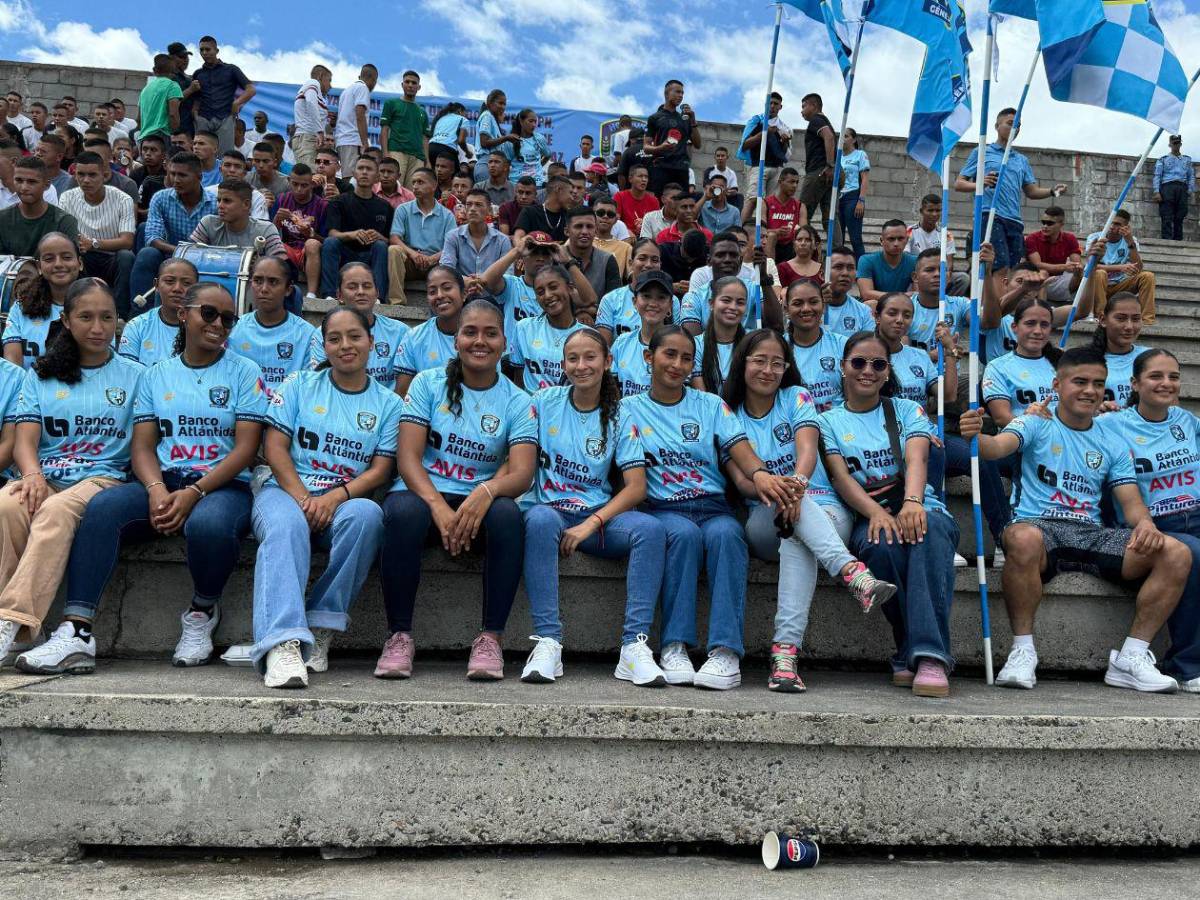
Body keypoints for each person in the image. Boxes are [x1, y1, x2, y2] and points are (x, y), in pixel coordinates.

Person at [960, 347, 1191, 693]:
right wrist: (975, 435)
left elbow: (1130, 502)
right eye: (1079, 381)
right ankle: (1023, 652)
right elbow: (996, 448)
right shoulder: (1035, 420)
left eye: (1098, 384)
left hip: (1091, 533)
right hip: (1039, 526)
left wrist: (1144, 524)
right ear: (1057, 384)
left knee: (1176, 552)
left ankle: (1132, 656)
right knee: (1021, 538)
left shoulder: (1111, 439)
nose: (1090, 390)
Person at [63, 283, 266, 668]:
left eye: (228, 318)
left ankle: (201, 612)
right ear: (184, 314)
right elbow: (142, 446)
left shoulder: (244, 371)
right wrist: (156, 489)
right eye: (209, 313)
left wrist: (195, 492)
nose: (219, 324)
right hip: (165, 479)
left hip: (223, 485)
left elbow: (245, 449)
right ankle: (77, 629)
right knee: (104, 508)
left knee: (206, 525)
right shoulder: (157, 375)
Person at [622, 325, 796, 690]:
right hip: (662, 507)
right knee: (683, 536)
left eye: (687, 358)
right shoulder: (629, 409)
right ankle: (674, 646)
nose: (678, 364)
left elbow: (740, 449)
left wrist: (761, 475)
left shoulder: (710, 404)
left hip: (713, 505)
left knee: (729, 536)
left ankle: (725, 652)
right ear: (648, 357)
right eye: (670, 354)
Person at [722, 328, 896, 691]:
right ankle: (851, 572)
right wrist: (772, 487)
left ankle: (785, 656)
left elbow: (806, 451)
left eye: (776, 363)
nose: (767, 370)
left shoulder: (796, 396)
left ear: (787, 368)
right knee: (787, 519)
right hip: (763, 511)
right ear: (742, 364)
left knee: (796, 533)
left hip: (822, 505)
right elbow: (740, 480)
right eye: (759, 361)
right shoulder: (727, 412)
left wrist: (797, 487)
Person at [375, 300, 537, 680]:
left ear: (504, 341)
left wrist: (485, 492)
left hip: (477, 502)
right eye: (470, 332)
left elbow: (523, 474)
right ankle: (399, 635)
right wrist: (438, 506)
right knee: (401, 512)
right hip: (425, 494)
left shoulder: (519, 400)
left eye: (490, 333)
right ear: (456, 340)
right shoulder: (428, 384)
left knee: (508, 515)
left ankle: (490, 638)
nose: (480, 341)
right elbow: (408, 458)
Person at [250, 306, 401, 688]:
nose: (345, 345)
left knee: (367, 516)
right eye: (334, 338)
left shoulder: (389, 404)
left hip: (342, 498)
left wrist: (334, 498)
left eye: (354, 336)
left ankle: (320, 625)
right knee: (285, 527)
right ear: (324, 345)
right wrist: (305, 499)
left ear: (372, 342)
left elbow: (380, 470)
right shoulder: (299, 384)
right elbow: (275, 448)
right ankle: (282, 643)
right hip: (284, 490)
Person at [0, 280, 143, 674]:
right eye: (85, 317)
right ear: (65, 320)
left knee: (56, 512)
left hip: (103, 479)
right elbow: (24, 439)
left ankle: (10, 620)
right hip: (47, 474)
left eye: (107, 317)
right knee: (7, 506)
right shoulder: (42, 374)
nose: (98, 327)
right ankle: (23, 636)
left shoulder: (135, 376)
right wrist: (31, 474)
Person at [520, 328, 669, 685]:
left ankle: (633, 647)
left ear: (607, 362)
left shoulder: (619, 416)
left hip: (595, 519)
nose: (581, 365)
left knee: (650, 529)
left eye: (590, 357)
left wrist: (591, 523)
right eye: (573, 358)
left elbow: (636, 487)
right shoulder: (543, 403)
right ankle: (549, 641)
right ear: (563, 363)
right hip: (551, 514)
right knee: (538, 518)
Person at [818, 332, 960, 697]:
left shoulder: (906, 410)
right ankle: (912, 647)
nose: (868, 370)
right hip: (869, 510)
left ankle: (928, 656)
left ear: (888, 371)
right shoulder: (827, 421)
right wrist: (875, 513)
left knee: (928, 531)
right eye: (859, 363)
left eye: (878, 364)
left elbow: (917, 457)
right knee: (879, 547)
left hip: (916, 500)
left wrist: (913, 502)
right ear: (844, 367)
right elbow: (840, 476)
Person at [1113, 349, 1200, 691]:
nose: (1167, 383)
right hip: (1156, 523)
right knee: (1194, 555)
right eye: (1156, 376)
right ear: (1135, 383)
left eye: (1174, 377)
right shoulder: (1112, 424)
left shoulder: (1186, 421)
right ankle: (1187, 665)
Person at [956, 106, 1067, 290]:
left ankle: (1003, 309)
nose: (1014, 128)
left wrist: (1052, 191)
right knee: (999, 267)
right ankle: (996, 314)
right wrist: (981, 184)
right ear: (996, 125)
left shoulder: (1021, 160)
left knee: (1013, 270)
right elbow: (959, 184)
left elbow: (1030, 190)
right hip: (990, 215)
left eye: (1018, 125)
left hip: (1014, 220)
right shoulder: (982, 152)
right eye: (1010, 123)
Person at [59, 151, 136, 316]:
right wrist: (83, 245)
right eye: (81, 174)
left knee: (126, 256)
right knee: (70, 255)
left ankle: (120, 315)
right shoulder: (67, 198)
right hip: (83, 255)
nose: (86, 180)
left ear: (105, 175)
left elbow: (127, 241)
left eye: (92, 175)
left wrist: (93, 243)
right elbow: (65, 236)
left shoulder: (123, 199)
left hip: (113, 257)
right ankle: (73, 310)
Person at [131, 153, 216, 300]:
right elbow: (152, 237)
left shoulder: (216, 203)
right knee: (147, 254)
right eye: (172, 174)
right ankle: (139, 312)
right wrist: (180, 252)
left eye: (182, 175)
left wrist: (189, 255)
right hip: (169, 255)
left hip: (205, 259)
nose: (175, 180)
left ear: (199, 177)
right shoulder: (161, 197)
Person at [313, 262, 410, 391]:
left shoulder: (400, 332)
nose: (360, 292)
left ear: (376, 293)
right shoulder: (324, 333)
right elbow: (321, 382)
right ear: (339, 295)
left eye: (367, 286)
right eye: (352, 287)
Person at [228, 257, 319, 392]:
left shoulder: (307, 334)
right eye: (258, 281)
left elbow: (310, 386)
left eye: (273, 282)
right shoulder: (236, 329)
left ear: (288, 289)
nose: (264, 289)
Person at [982, 296, 1062, 429]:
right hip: (1022, 442)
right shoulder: (997, 367)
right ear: (1014, 327)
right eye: (1030, 323)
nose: (1037, 331)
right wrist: (1027, 417)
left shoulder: (1065, 362)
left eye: (1044, 325)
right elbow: (1001, 417)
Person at [2, 233, 80, 369]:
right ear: (39, 267)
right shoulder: (20, 308)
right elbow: (13, 368)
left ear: (80, 263)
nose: (58, 264)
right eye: (49, 259)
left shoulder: (96, 306)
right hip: (27, 388)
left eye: (66, 257)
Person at [319, 155, 392, 299]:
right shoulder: (339, 201)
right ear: (354, 173)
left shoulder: (385, 207)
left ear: (377, 177)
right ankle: (329, 294)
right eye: (361, 168)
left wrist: (380, 237)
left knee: (381, 246)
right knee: (330, 243)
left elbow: (391, 240)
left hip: (370, 254)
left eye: (369, 169)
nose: (364, 172)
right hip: (344, 252)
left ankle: (378, 297)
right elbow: (331, 233)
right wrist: (352, 234)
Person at [609, 269, 690, 396]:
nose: (653, 303)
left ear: (670, 305)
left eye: (661, 297)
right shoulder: (621, 343)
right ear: (635, 302)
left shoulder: (683, 346)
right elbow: (611, 390)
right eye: (646, 296)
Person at [679, 232, 780, 334]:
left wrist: (764, 280)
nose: (727, 260)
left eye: (733, 255)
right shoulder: (694, 297)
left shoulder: (754, 289)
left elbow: (777, 325)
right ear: (709, 260)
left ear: (740, 260)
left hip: (749, 349)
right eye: (720, 255)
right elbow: (692, 341)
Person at [873, 291, 957, 412]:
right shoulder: (863, 355)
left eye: (907, 316)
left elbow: (948, 396)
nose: (900, 320)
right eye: (892, 313)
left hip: (918, 427)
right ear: (877, 317)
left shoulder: (920, 356)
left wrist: (950, 351)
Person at [508, 263, 586, 392]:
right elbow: (519, 381)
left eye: (553, 287)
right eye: (540, 292)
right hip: (531, 408)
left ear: (570, 288)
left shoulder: (587, 335)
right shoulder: (524, 328)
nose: (548, 295)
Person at [395, 265, 468, 395]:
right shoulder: (414, 338)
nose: (439, 295)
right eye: (432, 291)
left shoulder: (482, 336)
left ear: (464, 294)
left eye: (447, 288)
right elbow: (403, 394)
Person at [387, 166, 456, 300]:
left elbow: (452, 245)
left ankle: (444, 300)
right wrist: (413, 254)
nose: (415, 186)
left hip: (436, 264)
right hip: (411, 261)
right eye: (413, 182)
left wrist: (432, 259)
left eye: (420, 182)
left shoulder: (447, 215)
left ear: (434, 185)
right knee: (394, 250)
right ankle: (397, 302)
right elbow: (394, 238)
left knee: (451, 257)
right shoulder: (403, 209)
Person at [480, 233, 563, 344]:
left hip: (546, 357)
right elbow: (485, 281)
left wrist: (567, 262)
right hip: (513, 358)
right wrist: (517, 251)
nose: (540, 258)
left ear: (552, 259)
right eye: (534, 252)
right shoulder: (513, 285)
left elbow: (589, 299)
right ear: (522, 259)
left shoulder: (559, 290)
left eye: (546, 253)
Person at [783, 278, 847, 414]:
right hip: (796, 426)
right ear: (786, 309)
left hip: (838, 425)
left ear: (823, 306)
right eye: (798, 303)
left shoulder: (843, 345)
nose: (806, 309)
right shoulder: (779, 349)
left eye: (813, 302)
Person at [118, 257, 197, 367]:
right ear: (156, 284)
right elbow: (129, 374)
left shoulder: (206, 326)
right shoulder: (137, 326)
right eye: (169, 281)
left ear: (197, 288)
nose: (177, 288)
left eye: (187, 283)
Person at [190, 178, 286, 264]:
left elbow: (281, 265)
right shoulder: (208, 223)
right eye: (219, 200)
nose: (220, 205)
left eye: (227, 201)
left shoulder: (266, 229)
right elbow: (190, 256)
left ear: (246, 204)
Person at [1085, 209, 1156, 323]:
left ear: (1126, 227)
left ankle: (1147, 320)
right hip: (1097, 286)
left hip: (1120, 286)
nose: (1112, 226)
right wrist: (1120, 267)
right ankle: (1101, 317)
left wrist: (1130, 242)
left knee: (1148, 276)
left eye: (1117, 224)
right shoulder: (1095, 238)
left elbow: (1138, 269)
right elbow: (1090, 266)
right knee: (1099, 273)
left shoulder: (1131, 240)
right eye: (1111, 222)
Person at [440, 188, 511, 302]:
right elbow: (446, 269)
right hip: (461, 295)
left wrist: (483, 281)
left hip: (493, 296)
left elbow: (508, 277)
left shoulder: (502, 240)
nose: (473, 209)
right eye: (469, 204)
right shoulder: (453, 236)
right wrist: (467, 281)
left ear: (489, 210)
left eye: (478, 205)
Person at [0, 157, 78, 257]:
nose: (24, 187)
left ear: (47, 185)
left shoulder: (64, 221)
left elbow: (68, 261)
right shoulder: (2, 219)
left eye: (32, 182)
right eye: (19, 180)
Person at [191, 36, 255, 154]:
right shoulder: (197, 74)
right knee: (200, 156)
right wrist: (195, 113)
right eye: (202, 50)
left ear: (216, 50)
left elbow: (251, 89)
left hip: (225, 118)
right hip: (203, 119)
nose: (204, 53)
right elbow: (197, 97)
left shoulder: (231, 69)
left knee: (224, 157)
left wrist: (237, 103)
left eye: (208, 49)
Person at [272, 163, 328, 296]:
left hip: (309, 252)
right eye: (295, 184)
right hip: (288, 250)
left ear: (312, 184)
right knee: (276, 245)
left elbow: (327, 240)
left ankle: (311, 293)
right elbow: (269, 232)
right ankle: (281, 290)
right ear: (288, 181)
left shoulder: (323, 205)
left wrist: (311, 234)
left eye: (304, 185)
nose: (299, 189)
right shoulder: (281, 199)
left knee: (312, 244)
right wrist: (277, 220)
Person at [1089, 292, 1150, 410]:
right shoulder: (1083, 360)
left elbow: (1171, 408)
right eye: (1121, 319)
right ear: (1103, 319)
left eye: (1136, 319)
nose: (1129, 326)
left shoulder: (1152, 358)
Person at [737, 92, 790, 224]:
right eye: (770, 103)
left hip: (776, 169)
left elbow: (787, 155)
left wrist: (785, 142)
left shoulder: (784, 127)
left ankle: (764, 232)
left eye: (775, 104)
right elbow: (744, 145)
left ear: (780, 107)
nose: (772, 106)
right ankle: (739, 231)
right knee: (753, 199)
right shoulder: (757, 120)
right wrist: (763, 133)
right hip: (758, 166)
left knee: (770, 203)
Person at [691, 275, 748, 395]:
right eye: (726, 300)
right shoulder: (696, 345)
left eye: (740, 302)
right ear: (711, 304)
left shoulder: (752, 342)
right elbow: (702, 397)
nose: (733, 307)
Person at [643, 80, 700, 198]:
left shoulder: (685, 118)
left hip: (682, 168)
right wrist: (660, 148)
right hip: (661, 166)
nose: (681, 96)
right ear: (666, 93)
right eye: (677, 92)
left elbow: (698, 144)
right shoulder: (654, 118)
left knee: (682, 204)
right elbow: (646, 147)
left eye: (682, 93)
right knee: (660, 202)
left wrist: (693, 121)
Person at [1023, 205, 1084, 304]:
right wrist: (1064, 267)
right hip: (1035, 280)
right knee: (1043, 272)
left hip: (1058, 281)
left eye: (1050, 223)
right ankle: (1042, 308)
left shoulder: (1070, 238)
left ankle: (1086, 311)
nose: (1045, 226)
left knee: (1082, 273)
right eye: (1043, 222)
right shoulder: (1032, 238)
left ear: (1061, 224)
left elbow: (1077, 264)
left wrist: (1077, 269)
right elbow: (1037, 264)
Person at [563, 206, 618, 316]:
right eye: (578, 226)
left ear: (596, 230)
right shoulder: (555, 257)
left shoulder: (608, 260)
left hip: (599, 324)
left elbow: (614, 304)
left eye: (589, 227)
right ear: (567, 231)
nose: (584, 231)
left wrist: (590, 312)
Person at [380, 71, 430, 188]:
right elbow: (384, 130)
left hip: (418, 158)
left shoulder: (422, 112)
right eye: (407, 82)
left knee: (412, 193)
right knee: (392, 188)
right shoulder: (391, 103)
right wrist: (386, 154)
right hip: (396, 152)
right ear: (402, 85)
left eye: (414, 83)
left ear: (419, 87)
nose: (410, 85)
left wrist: (427, 161)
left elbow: (424, 139)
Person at [856, 220, 917, 304]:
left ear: (907, 240)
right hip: (875, 307)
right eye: (891, 239)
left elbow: (917, 295)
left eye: (900, 238)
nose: (896, 243)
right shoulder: (866, 260)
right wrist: (904, 295)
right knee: (871, 303)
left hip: (902, 307)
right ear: (881, 241)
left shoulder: (915, 261)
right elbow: (866, 294)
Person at [798, 93, 835, 232]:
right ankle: (836, 250)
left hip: (819, 172)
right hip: (829, 173)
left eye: (804, 106)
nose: (801, 111)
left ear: (813, 106)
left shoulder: (816, 120)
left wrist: (830, 165)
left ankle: (804, 248)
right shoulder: (825, 121)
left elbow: (829, 137)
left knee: (803, 213)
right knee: (829, 217)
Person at [334, 65, 377, 178]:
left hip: (342, 141)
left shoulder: (346, 91)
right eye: (375, 81)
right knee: (353, 180)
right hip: (353, 141)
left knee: (347, 178)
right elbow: (360, 115)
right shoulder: (363, 88)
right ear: (373, 79)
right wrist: (365, 142)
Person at [1152, 134, 1194, 241]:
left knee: (1180, 215)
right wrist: (1157, 191)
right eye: (1174, 143)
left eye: (1178, 143)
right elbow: (1157, 176)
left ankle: (1178, 240)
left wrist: (1189, 190)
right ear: (1170, 144)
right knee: (1166, 215)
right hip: (1167, 187)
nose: (1176, 145)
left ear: (1180, 144)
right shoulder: (1163, 159)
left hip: (1182, 187)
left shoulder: (1187, 160)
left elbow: (1191, 176)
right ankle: (1167, 240)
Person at [837, 128, 869, 258]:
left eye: (846, 136)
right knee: (839, 239)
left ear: (854, 139)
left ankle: (862, 270)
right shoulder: (837, 155)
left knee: (855, 238)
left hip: (853, 197)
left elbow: (865, 178)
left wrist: (861, 200)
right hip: (838, 198)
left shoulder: (860, 154)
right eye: (840, 136)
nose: (842, 139)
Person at [292, 65, 331, 168]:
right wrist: (319, 131)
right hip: (307, 138)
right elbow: (310, 101)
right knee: (309, 177)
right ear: (320, 76)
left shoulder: (315, 92)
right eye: (329, 80)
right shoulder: (313, 83)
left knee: (315, 177)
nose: (330, 85)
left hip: (308, 138)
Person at [513, 174, 572, 243]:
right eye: (570, 192)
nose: (571, 197)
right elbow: (517, 239)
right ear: (559, 190)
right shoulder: (529, 212)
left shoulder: (570, 216)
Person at [763, 167, 805, 263]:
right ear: (780, 182)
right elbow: (761, 231)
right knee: (771, 236)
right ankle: (771, 273)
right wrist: (776, 231)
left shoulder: (800, 206)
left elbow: (804, 231)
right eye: (791, 182)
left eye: (797, 182)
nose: (795, 186)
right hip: (772, 244)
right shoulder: (766, 203)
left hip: (791, 245)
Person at [138, 54, 183, 142]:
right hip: (161, 135)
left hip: (144, 138)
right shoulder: (172, 86)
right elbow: (173, 114)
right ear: (173, 70)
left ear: (155, 70)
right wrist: (174, 133)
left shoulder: (145, 89)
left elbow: (138, 119)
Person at [504, 108, 551, 186]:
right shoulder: (511, 140)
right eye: (530, 121)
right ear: (521, 121)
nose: (533, 125)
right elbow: (506, 164)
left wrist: (538, 167)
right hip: (516, 184)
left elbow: (548, 155)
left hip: (536, 184)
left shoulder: (539, 138)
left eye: (535, 122)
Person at [472, 90, 509, 186]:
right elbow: (484, 142)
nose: (503, 107)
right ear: (490, 103)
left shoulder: (492, 119)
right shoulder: (487, 116)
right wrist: (506, 138)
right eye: (500, 103)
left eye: (504, 104)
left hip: (492, 166)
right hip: (486, 165)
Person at [613, 164, 660, 237]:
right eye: (640, 176)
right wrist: (627, 231)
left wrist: (645, 225)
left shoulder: (654, 201)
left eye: (646, 177)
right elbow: (615, 221)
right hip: (625, 237)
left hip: (647, 237)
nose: (644, 179)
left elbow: (657, 225)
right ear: (630, 179)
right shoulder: (619, 196)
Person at [591, 196, 632, 276]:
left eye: (610, 214)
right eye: (600, 213)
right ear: (593, 216)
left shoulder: (626, 248)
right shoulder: (581, 241)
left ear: (616, 220)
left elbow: (631, 276)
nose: (605, 216)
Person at [166, 42, 200, 137]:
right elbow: (172, 101)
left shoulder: (188, 78)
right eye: (181, 57)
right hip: (175, 130)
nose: (186, 60)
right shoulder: (169, 78)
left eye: (187, 57)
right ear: (171, 58)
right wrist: (190, 89)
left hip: (189, 127)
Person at [777, 224, 822, 288]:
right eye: (799, 239)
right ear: (794, 244)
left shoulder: (821, 269)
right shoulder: (783, 268)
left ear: (815, 245)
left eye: (808, 240)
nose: (803, 243)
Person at [428, 102, 470, 169]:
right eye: (465, 113)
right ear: (460, 110)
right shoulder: (463, 119)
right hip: (447, 149)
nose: (465, 116)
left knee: (436, 175)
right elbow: (461, 141)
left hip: (431, 148)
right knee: (456, 177)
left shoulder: (441, 118)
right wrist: (468, 153)